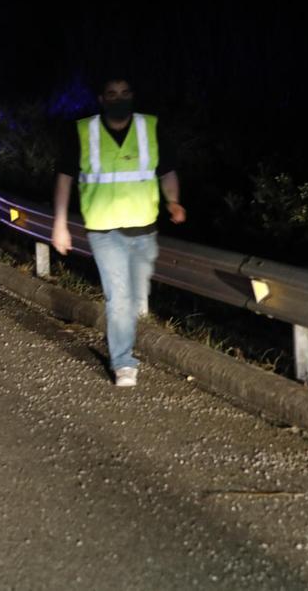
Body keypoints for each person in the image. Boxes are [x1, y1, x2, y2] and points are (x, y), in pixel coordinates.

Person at [51, 77, 186, 386]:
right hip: (104, 230)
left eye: (125, 92)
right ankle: (123, 362)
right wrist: (60, 224)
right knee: (119, 297)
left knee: (137, 297)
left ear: (133, 96)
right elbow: (64, 179)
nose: (119, 98)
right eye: (112, 94)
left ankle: (128, 339)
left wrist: (174, 201)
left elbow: (167, 171)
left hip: (144, 230)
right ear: (101, 99)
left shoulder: (148, 128)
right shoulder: (84, 132)